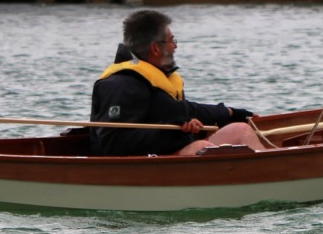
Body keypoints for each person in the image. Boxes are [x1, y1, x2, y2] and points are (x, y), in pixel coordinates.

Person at [89, 9, 266, 156]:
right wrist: (174, 132)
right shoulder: (121, 86)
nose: (175, 46)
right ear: (156, 48)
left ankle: (269, 173)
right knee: (201, 148)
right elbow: (113, 144)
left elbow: (186, 111)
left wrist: (229, 113)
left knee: (240, 130)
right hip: (140, 167)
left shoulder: (156, 79)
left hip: (171, 150)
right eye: (172, 41)